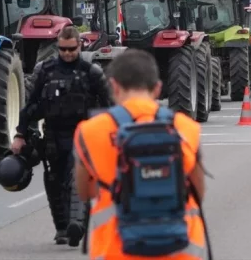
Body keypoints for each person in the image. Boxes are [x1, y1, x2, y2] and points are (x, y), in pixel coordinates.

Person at [74, 49, 207, 260]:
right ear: (158, 88)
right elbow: (198, 191)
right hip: (179, 249)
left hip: (117, 250)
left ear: (114, 86)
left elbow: (85, 192)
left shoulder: (89, 131)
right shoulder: (186, 128)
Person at [12, 26, 111, 246]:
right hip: (53, 136)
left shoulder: (92, 72)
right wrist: (20, 135)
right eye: (62, 49)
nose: (67, 53)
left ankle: (77, 224)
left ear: (80, 46)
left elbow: (109, 107)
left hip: (83, 135)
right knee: (55, 181)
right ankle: (62, 227)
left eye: (71, 49)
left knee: (77, 178)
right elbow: (30, 106)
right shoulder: (44, 70)